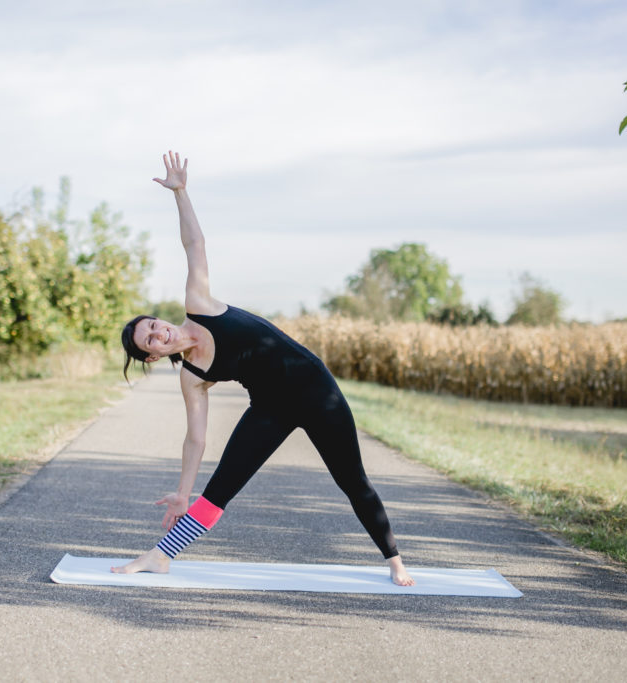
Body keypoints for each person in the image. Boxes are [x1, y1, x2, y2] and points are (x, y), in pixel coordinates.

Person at [112, 151, 414, 586]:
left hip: (316, 390)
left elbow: (194, 245)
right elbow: (195, 437)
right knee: (221, 489)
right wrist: (182, 491)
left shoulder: (198, 306)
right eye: (151, 341)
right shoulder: (191, 376)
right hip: (270, 408)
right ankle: (162, 555)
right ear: (153, 356)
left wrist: (180, 192)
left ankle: (394, 561)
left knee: (353, 481)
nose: (159, 334)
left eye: (154, 327)